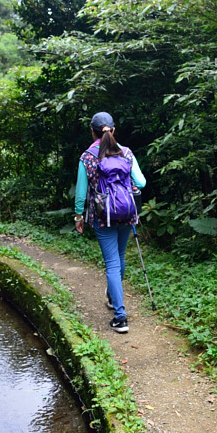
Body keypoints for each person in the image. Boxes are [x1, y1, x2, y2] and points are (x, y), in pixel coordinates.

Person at [74, 112, 146, 333]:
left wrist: (79, 217)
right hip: (126, 213)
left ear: (92, 131)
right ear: (113, 130)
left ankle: (120, 316)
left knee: (112, 263)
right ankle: (114, 300)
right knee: (120, 257)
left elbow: (80, 193)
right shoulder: (126, 153)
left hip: (102, 216)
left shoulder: (87, 157)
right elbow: (141, 182)